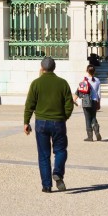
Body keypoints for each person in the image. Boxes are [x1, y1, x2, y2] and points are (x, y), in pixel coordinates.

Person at [23, 57, 74, 193]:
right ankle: (57, 172)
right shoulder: (62, 83)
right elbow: (69, 103)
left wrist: (26, 122)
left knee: (44, 154)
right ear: (54, 67)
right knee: (60, 150)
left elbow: (29, 105)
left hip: (41, 122)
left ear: (42, 67)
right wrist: (64, 117)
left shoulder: (36, 83)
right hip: (58, 122)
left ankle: (46, 185)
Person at [75, 65, 102, 142]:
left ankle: (90, 136)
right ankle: (97, 132)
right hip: (94, 101)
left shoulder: (84, 80)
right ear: (94, 71)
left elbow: (79, 91)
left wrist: (74, 99)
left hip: (86, 101)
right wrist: (99, 103)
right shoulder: (97, 80)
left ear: (87, 71)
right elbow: (99, 93)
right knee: (93, 117)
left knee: (87, 119)